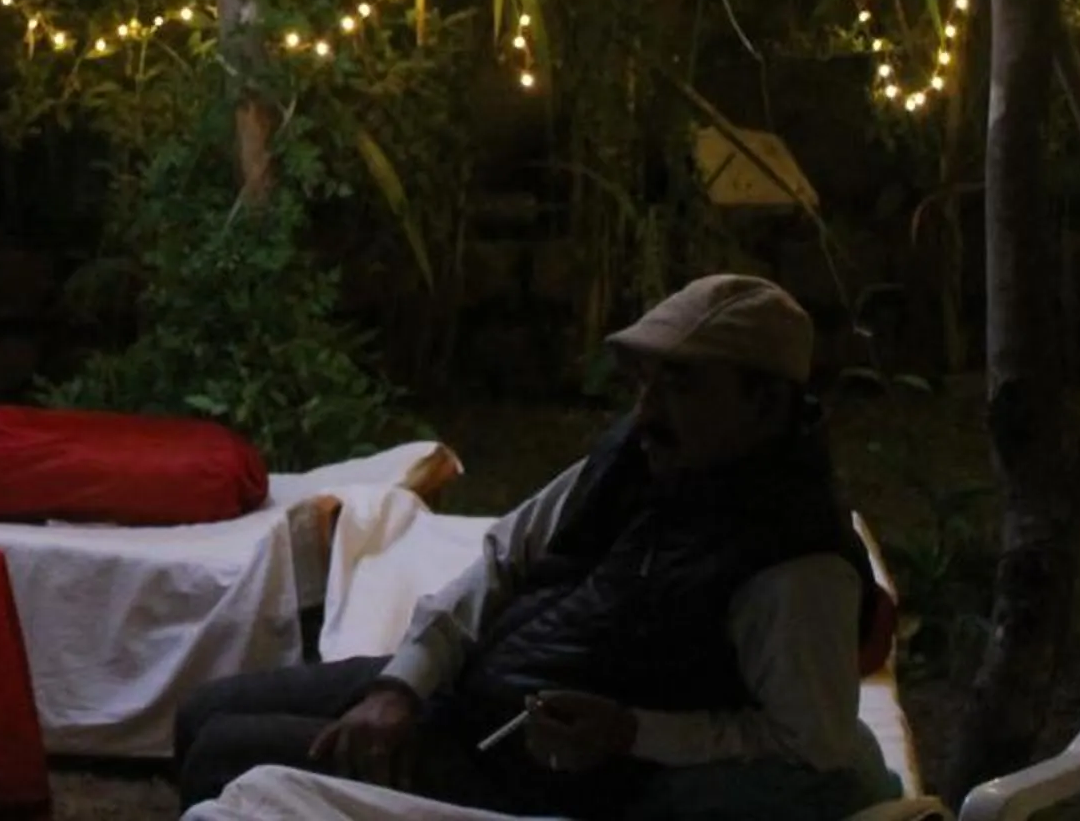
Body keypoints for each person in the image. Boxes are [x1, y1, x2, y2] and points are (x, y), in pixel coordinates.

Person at [173, 275, 901, 821]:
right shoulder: (636, 457)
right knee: (202, 711)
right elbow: (504, 556)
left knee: (223, 753)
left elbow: (811, 745)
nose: (646, 409)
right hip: (471, 688)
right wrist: (402, 685)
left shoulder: (792, 562)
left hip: (532, 768)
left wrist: (633, 733)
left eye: (680, 385)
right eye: (644, 382)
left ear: (766, 403)